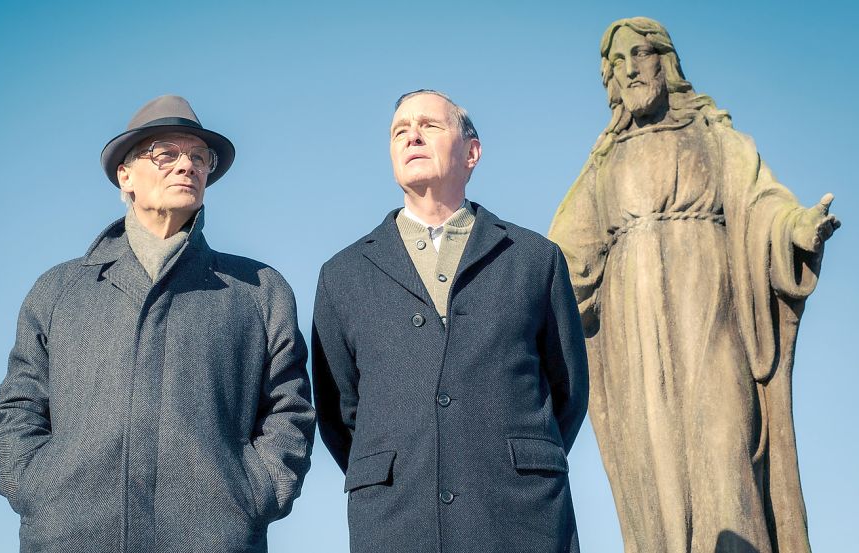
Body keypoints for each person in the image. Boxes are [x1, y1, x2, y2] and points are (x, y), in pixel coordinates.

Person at [548, 18, 840, 553]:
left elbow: (762, 204)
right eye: (618, 63)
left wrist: (797, 228)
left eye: (640, 54)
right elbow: (562, 258)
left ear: (666, 61)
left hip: (712, 319)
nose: (630, 69)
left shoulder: (713, 137)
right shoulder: (603, 164)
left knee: (727, 451)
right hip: (638, 344)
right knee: (655, 474)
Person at [0, 95, 314, 553]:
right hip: (69, 538)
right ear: (125, 175)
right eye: (166, 154)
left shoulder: (258, 291)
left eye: (199, 157)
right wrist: (37, 488)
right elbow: (16, 408)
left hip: (215, 540)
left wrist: (255, 492)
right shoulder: (59, 290)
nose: (187, 166)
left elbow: (289, 409)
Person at [313, 90, 589, 553]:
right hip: (396, 521)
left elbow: (568, 391)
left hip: (521, 519)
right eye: (400, 131)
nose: (412, 136)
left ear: (471, 153)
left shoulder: (536, 259)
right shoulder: (342, 275)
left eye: (429, 126)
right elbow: (341, 414)